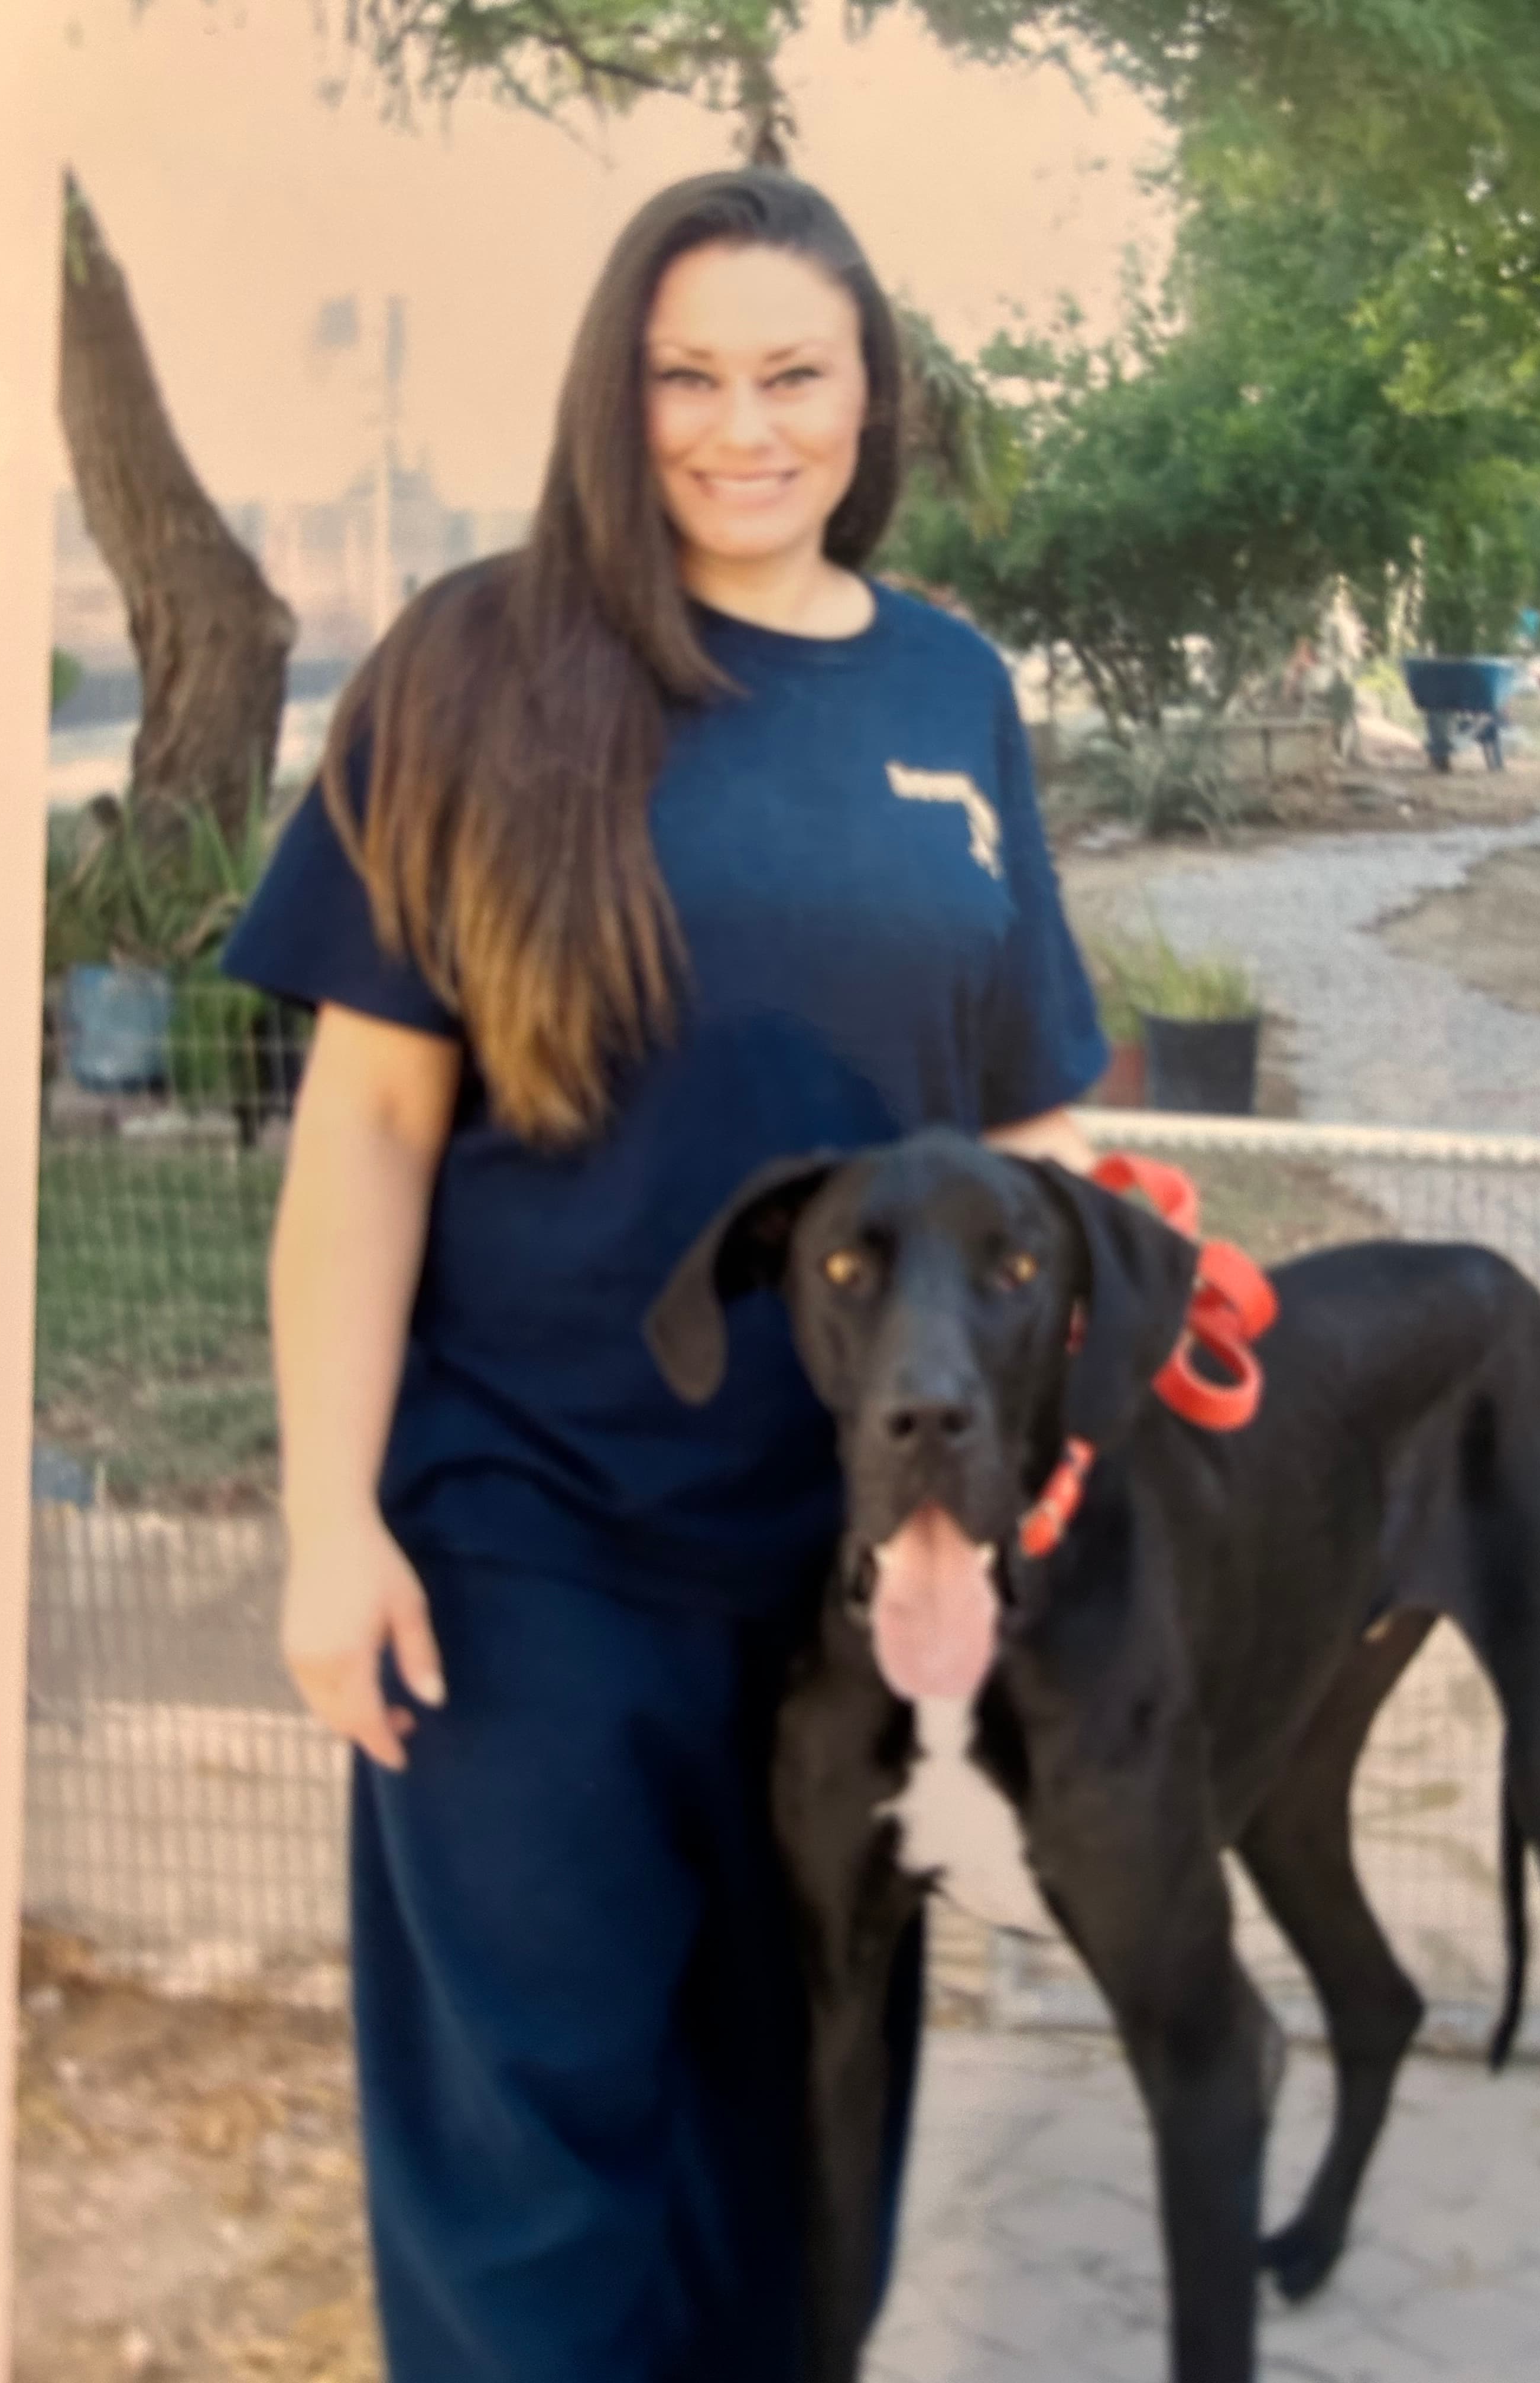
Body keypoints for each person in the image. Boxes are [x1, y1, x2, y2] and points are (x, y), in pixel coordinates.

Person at [223, 165, 1109, 2383]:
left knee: (807, 2147)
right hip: (529, 1551)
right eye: (685, 377)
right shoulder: (476, 663)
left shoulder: (950, 689)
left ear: (872, 393)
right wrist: (329, 1521)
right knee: (536, 2191)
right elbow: (369, 1127)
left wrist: (1089, 1415)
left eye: (792, 375)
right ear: (613, 398)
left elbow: (1029, 1136)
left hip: (867, 1567)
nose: (741, 427)